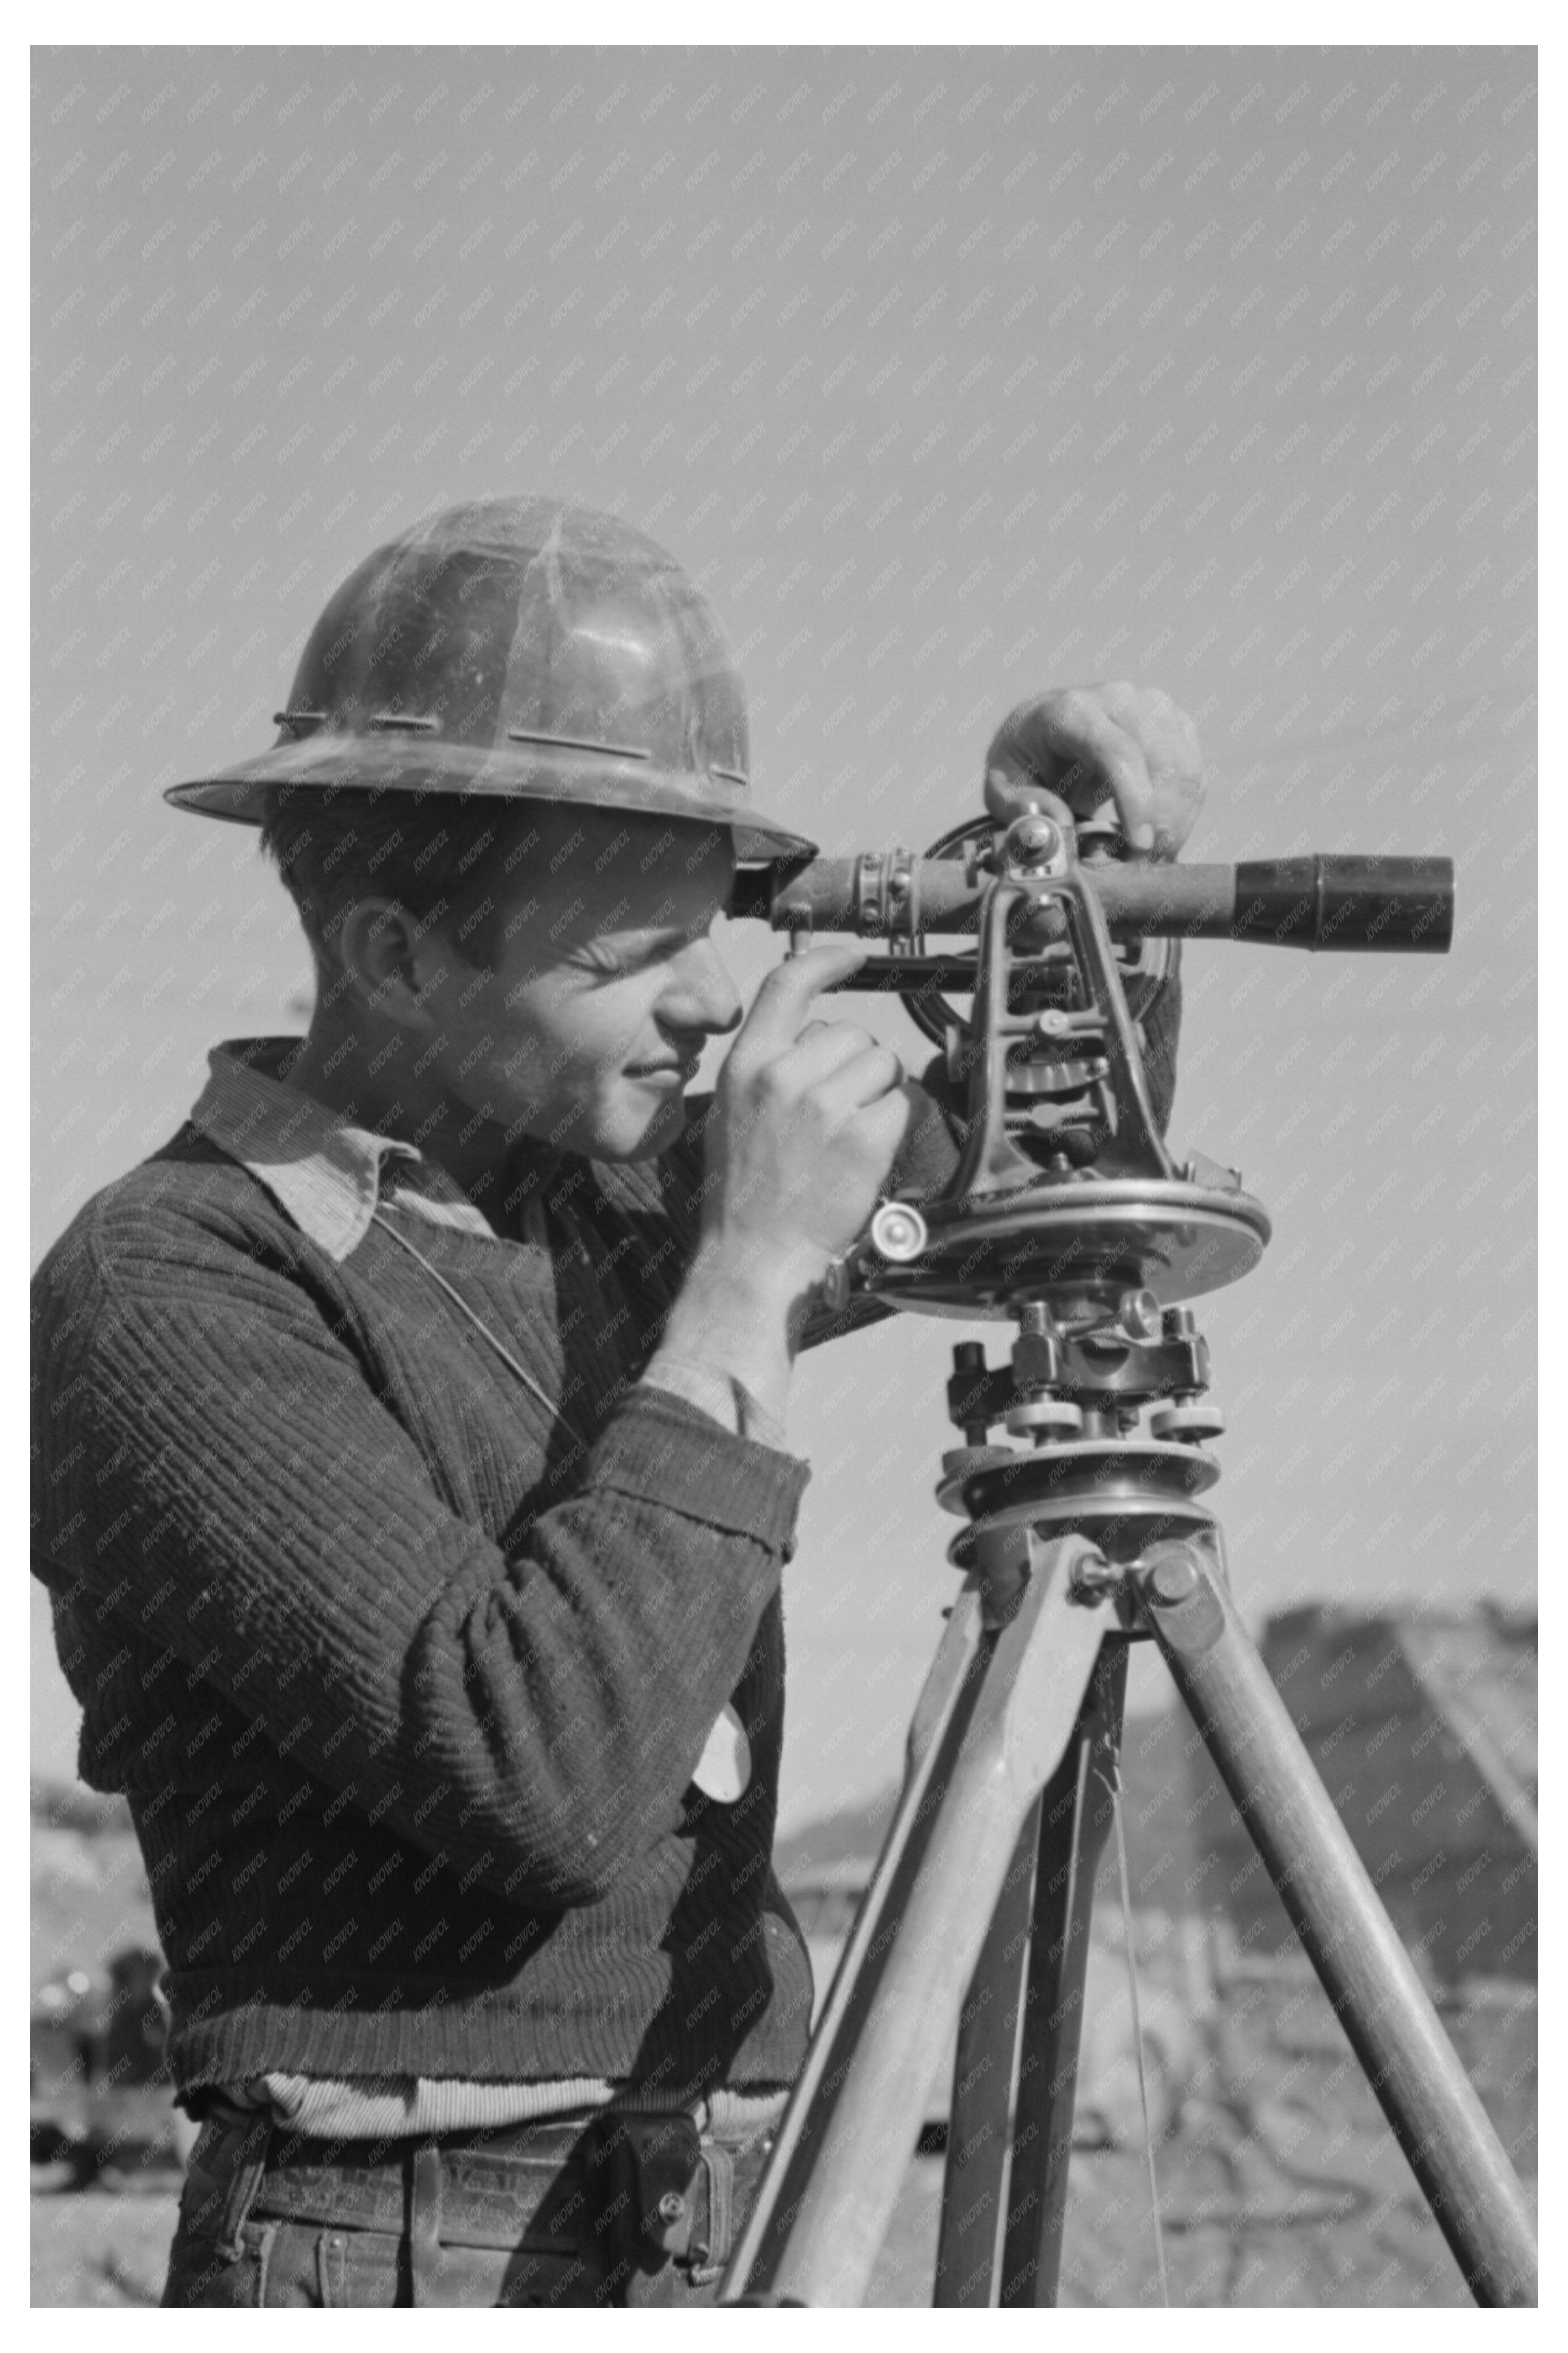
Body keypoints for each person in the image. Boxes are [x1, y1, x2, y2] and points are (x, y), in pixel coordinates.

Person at [30, 497, 1203, 2307]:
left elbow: (1044, 1181)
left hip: (715, 2188)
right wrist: (744, 1277)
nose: (710, 1009)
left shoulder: (618, 1194)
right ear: (398, 956)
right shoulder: (173, 1281)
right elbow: (535, 1775)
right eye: (624, 964)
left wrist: (1047, 880)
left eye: (709, 934)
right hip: (412, 2233)